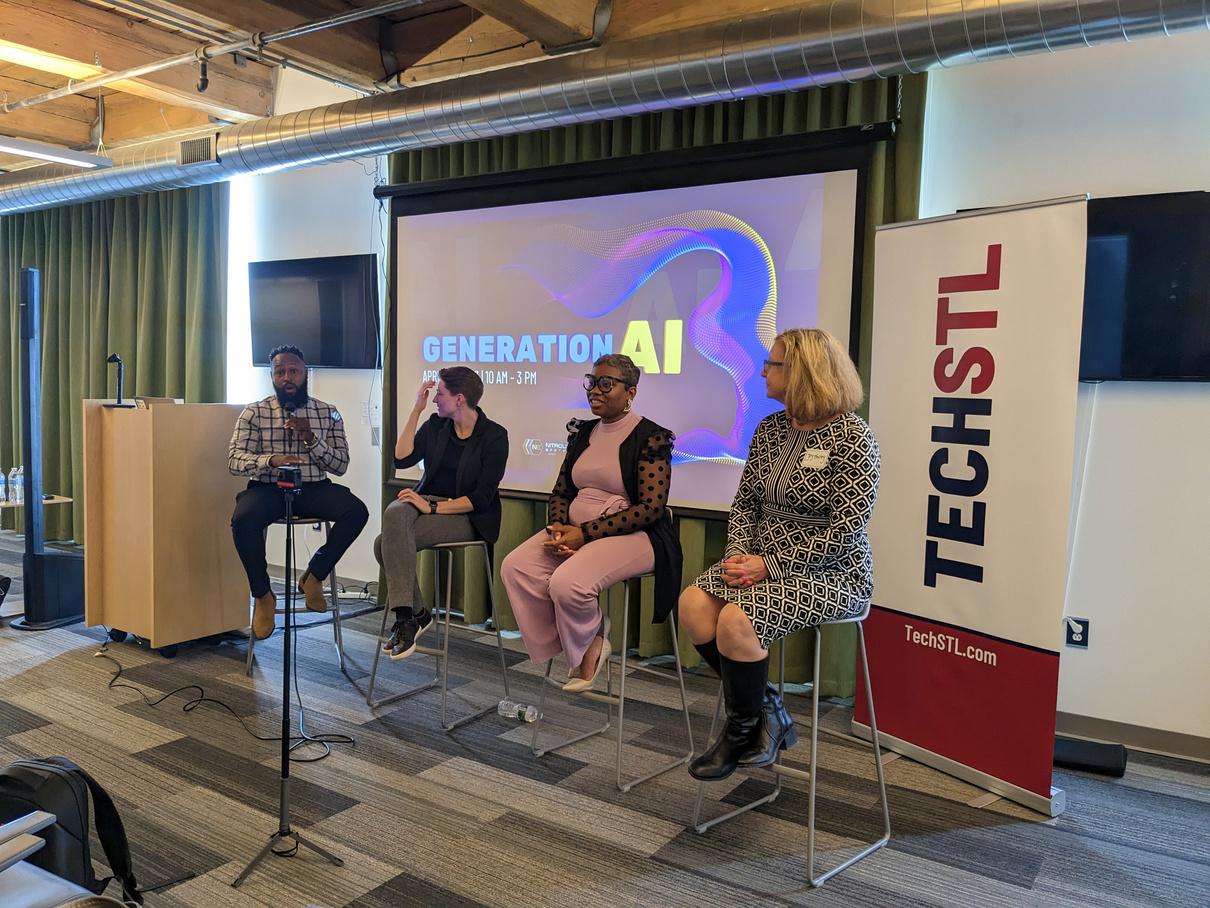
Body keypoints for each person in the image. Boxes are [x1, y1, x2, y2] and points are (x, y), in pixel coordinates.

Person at [679, 327, 879, 781]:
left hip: (833, 573)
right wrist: (737, 556)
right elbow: (745, 505)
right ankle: (768, 710)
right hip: (757, 563)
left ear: (804, 372)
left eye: (772, 364)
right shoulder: (770, 429)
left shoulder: (854, 440)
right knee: (693, 605)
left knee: (736, 621)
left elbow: (846, 532)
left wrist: (770, 565)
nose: (762, 371)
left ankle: (740, 732)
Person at [501, 354, 682, 692]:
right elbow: (561, 491)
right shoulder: (582, 432)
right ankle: (580, 639)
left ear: (630, 392)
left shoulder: (651, 437)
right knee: (516, 567)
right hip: (576, 530)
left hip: (637, 535)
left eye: (606, 384)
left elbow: (651, 508)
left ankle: (591, 640)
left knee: (566, 584)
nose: (595, 390)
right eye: (592, 381)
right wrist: (558, 529)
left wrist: (584, 535)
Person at [229, 344, 369, 640]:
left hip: (313, 486)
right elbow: (234, 461)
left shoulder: (328, 412)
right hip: (269, 487)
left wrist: (311, 438)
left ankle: (314, 575)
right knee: (243, 519)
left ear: (305, 374)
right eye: (279, 372)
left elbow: (340, 465)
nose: (287, 377)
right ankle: (263, 595)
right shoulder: (254, 412)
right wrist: (271, 460)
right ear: (272, 377)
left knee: (356, 511)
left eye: (293, 371)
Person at [376, 366, 508, 659]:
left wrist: (433, 507)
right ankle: (409, 617)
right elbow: (401, 457)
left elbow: (481, 498)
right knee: (395, 513)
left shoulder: (495, 436)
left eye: (440, 394)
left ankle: (414, 618)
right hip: (428, 502)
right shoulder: (436, 425)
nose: (434, 399)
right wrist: (416, 410)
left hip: (468, 515)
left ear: (459, 399)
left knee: (382, 545)